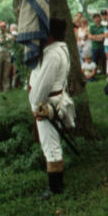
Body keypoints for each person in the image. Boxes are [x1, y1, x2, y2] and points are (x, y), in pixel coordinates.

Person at [28, 18, 73, 197]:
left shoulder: (53, 54)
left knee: (51, 146)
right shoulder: (57, 50)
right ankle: (56, 184)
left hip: (47, 103)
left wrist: (36, 104)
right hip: (52, 100)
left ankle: (55, 187)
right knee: (51, 144)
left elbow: (43, 84)